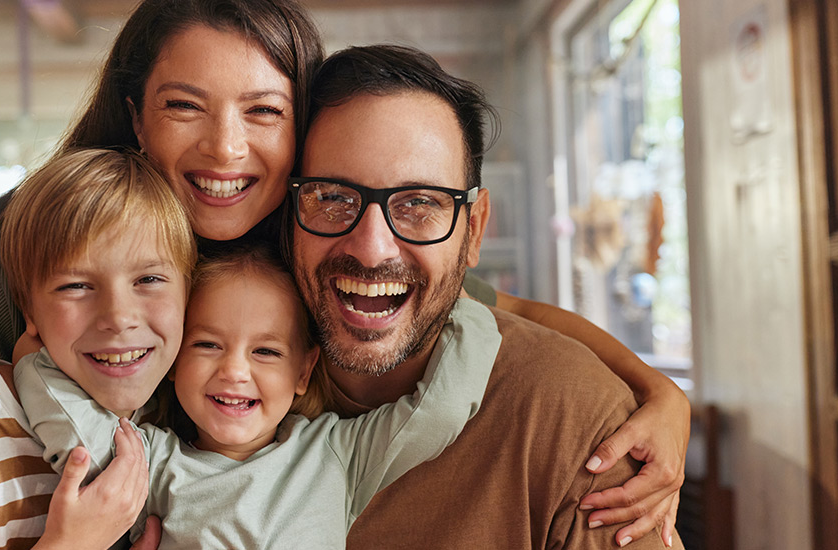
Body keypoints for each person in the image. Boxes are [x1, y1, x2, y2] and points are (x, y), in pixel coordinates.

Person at [0, 0, 686, 547]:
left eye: (263, 110)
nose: (225, 148)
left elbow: (489, 304)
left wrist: (657, 390)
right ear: (138, 120)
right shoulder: (51, 248)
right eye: (187, 108)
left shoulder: (322, 242)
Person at [286, 43, 684, 549]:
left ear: (473, 231)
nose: (371, 248)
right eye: (333, 197)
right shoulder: (215, 379)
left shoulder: (577, 426)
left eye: (419, 204)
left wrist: (660, 391)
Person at [14, 244, 499, 547]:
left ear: (304, 370)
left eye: (266, 351)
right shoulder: (150, 461)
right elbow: (71, 427)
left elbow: (441, 409)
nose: (234, 370)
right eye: (206, 345)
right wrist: (29, 357)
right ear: (172, 360)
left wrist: (454, 300)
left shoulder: (338, 453)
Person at [0, 148, 195, 550]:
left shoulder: (174, 412)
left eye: (149, 279)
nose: (118, 317)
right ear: (29, 309)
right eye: (76, 286)